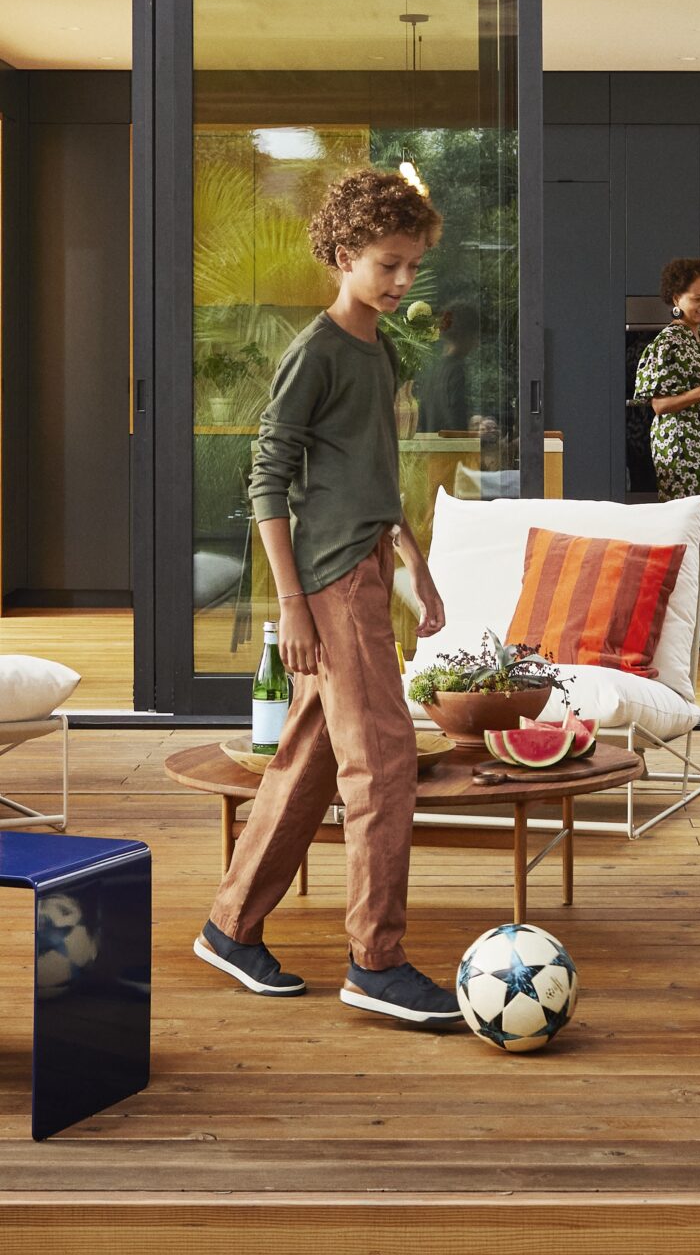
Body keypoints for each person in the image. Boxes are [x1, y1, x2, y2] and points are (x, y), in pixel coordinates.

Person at [194, 168, 461, 1026]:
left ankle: (231, 925)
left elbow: (376, 482)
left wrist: (417, 566)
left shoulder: (377, 350)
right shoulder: (316, 351)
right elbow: (266, 480)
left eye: (414, 266)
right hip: (330, 583)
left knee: (310, 752)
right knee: (382, 764)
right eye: (388, 264)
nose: (402, 281)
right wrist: (293, 606)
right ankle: (375, 962)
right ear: (345, 256)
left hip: (370, 568)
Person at [633, 257, 700, 650]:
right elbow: (659, 405)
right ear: (675, 298)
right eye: (697, 299)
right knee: (690, 531)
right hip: (683, 451)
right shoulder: (668, 342)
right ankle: (688, 624)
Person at [414, 300, 480, 433]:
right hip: (451, 451)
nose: (477, 343)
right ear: (465, 335)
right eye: (475, 336)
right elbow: (456, 418)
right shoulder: (456, 369)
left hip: (432, 449)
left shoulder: (432, 370)